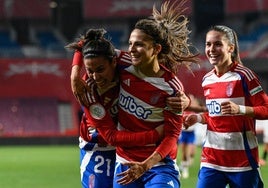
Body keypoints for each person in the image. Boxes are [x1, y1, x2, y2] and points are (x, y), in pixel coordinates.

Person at [86, 1, 199, 187]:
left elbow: (171, 137)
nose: (131, 49)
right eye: (130, 43)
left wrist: (145, 166)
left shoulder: (171, 88)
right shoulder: (122, 62)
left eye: (139, 45)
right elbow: (88, 46)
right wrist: (75, 75)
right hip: (124, 163)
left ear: (156, 49)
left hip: (158, 165)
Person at [66, 27, 192, 188]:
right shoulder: (87, 91)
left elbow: (86, 43)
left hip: (128, 150)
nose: (95, 77)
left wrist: (185, 100)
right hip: (98, 145)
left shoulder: (127, 64)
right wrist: (154, 135)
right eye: (90, 71)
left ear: (114, 62)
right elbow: (111, 137)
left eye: (100, 70)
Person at [184, 25, 268, 188]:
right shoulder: (207, 79)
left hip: (242, 162)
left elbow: (266, 109)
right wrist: (199, 118)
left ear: (231, 47)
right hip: (212, 161)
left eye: (217, 44)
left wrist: (241, 110)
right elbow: (216, 116)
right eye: (208, 44)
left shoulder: (245, 76)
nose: (211, 49)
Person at [178, 95, 206, 179]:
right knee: (184, 153)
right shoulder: (184, 109)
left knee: (190, 152)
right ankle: (184, 167)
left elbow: (201, 110)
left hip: (191, 134)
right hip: (183, 133)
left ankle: (185, 166)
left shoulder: (195, 109)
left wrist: (193, 101)